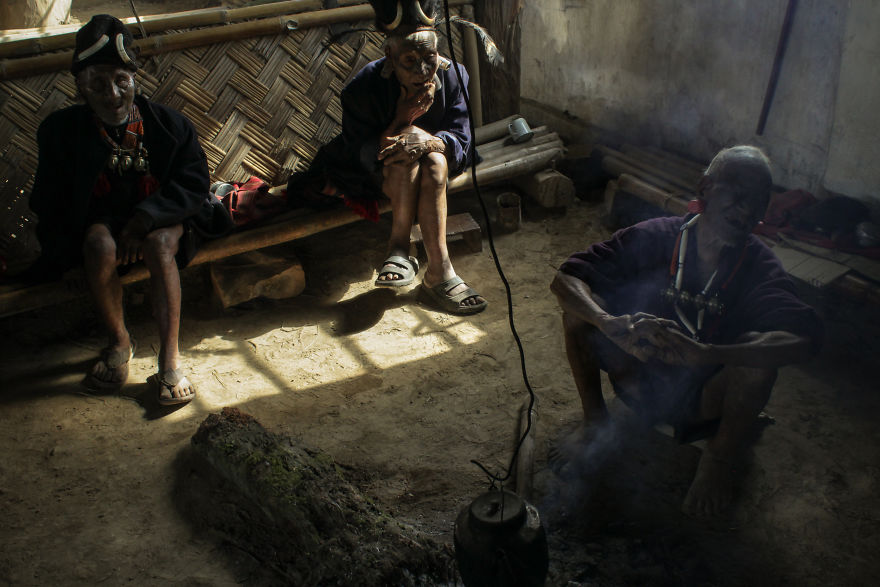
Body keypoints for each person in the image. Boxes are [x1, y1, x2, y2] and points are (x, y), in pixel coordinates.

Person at [550, 146, 823, 516]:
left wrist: (711, 354)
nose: (746, 212)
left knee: (758, 360)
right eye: (738, 196)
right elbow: (566, 278)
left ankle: (718, 459)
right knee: (578, 314)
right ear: (705, 188)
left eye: (757, 204)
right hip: (637, 381)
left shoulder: (759, 265)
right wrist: (608, 323)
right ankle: (596, 422)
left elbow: (802, 339)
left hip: (703, 403)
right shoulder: (657, 236)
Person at [28, 15, 233, 405]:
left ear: (135, 81)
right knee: (97, 245)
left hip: (165, 218)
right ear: (80, 87)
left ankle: (169, 357)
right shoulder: (59, 132)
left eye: (121, 80)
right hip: (105, 224)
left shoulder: (171, 126)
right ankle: (120, 341)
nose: (112, 94)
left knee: (158, 245)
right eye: (97, 83)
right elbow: (49, 200)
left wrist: (144, 220)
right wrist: (64, 254)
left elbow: (192, 185)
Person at [286, 0, 486, 315]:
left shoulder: (453, 76)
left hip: (438, 166)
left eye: (429, 58)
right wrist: (400, 122)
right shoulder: (362, 89)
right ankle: (401, 247)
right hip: (380, 175)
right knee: (403, 157)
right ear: (390, 56)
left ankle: (437, 269)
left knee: (433, 161)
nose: (423, 71)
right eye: (410, 60)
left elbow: (462, 139)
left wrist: (428, 141)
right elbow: (359, 153)